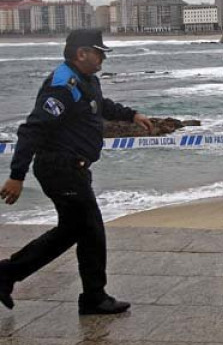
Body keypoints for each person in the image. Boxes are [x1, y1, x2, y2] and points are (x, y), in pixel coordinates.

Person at [0, 29, 153, 314]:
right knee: (88, 229)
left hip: (75, 169)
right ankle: (90, 296)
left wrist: (131, 114)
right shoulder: (62, 86)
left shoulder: (86, 80)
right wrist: (17, 176)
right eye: (99, 53)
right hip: (59, 168)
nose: (103, 59)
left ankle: (12, 275)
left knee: (77, 230)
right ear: (81, 53)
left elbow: (99, 105)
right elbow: (32, 129)